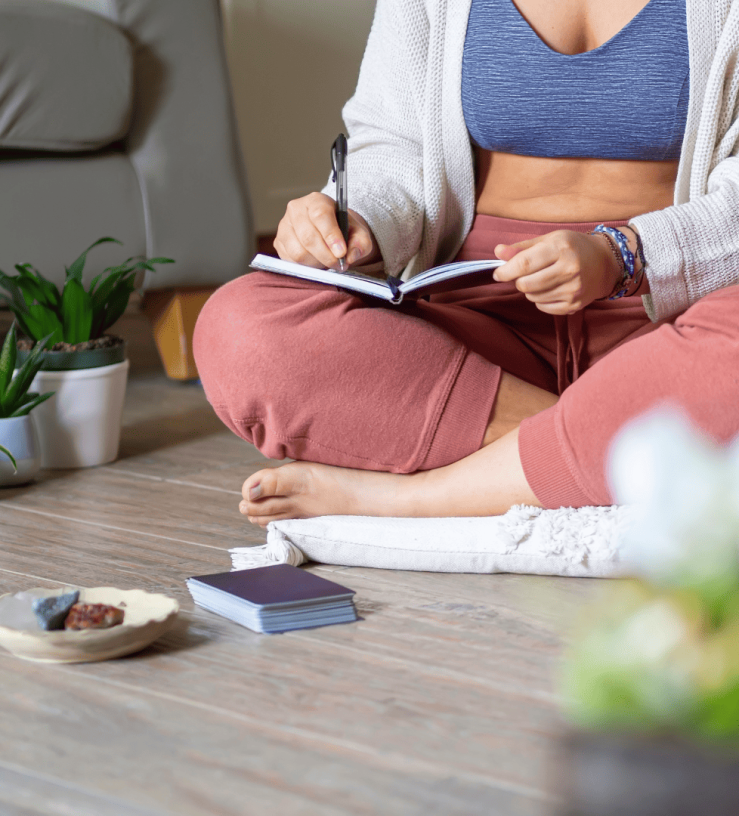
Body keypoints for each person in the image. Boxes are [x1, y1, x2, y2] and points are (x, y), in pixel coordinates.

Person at [193, 0, 739, 528]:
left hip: (670, 317)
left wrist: (623, 254)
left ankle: (418, 497)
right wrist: (358, 222)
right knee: (238, 330)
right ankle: (611, 447)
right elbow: (394, 141)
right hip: (481, 331)